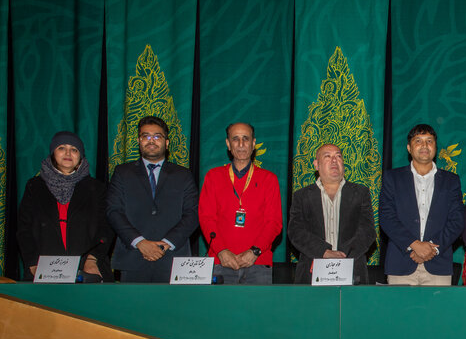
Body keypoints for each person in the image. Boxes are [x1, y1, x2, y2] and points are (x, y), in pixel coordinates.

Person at [106, 115, 199, 282]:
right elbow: (114, 211)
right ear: (139, 141)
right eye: (145, 136)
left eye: (157, 136)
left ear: (167, 142)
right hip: (133, 259)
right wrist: (140, 242)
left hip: (172, 261)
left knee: (172, 309)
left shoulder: (183, 175)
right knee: (132, 309)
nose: (151, 140)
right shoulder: (122, 173)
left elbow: (192, 214)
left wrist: (164, 244)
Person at [17, 131, 112, 281]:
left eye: (74, 150)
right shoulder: (34, 187)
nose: (68, 153)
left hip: (86, 270)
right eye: (62, 148)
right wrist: (32, 263)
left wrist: (93, 259)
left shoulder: (96, 189)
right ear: (52, 153)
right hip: (44, 270)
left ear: (80, 156)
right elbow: (23, 229)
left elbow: (106, 228)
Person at [379, 124, 464, 285]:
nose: (424, 145)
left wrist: (431, 249)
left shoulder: (451, 181)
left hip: (438, 264)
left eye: (429, 141)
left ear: (436, 147)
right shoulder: (392, 178)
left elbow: (456, 221)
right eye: (418, 141)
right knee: (400, 311)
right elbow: (386, 217)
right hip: (401, 263)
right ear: (409, 148)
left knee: (438, 311)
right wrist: (414, 245)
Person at [198, 123, 282, 284]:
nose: (241, 144)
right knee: (220, 309)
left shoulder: (269, 179)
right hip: (220, 261)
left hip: (258, 262)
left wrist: (254, 251)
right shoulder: (213, 176)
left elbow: (274, 222)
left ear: (253, 143)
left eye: (246, 139)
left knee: (257, 309)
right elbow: (206, 218)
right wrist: (222, 251)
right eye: (235, 139)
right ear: (228, 144)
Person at [288, 143, 376, 285]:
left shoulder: (360, 193)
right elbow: (295, 232)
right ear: (316, 165)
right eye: (327, 156)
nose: (334, 160)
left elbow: (368, 231)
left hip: (352, 271)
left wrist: (342, 255)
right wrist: (324, 252)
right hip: (312, 273)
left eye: (338, 156)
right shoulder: (301, 196)